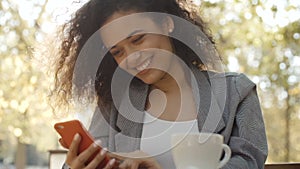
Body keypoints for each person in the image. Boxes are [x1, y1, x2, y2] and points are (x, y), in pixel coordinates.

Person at [51, 0, 268, 168]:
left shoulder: (237, 92)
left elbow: (249, 164)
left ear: (166, 23)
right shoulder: (114, 104)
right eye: (117, 52)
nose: (132, 58)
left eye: (138, 40)